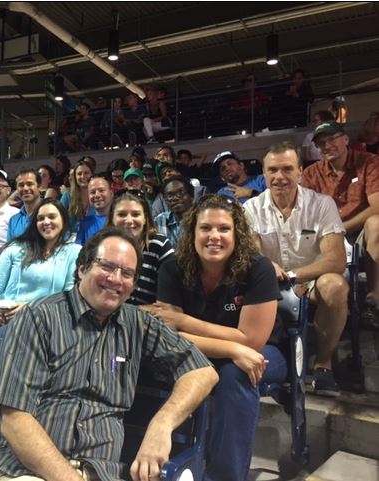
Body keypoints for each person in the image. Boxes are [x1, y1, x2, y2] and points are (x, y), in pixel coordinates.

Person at [0, 227, 217, 481]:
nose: (116, 279)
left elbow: (202, 371)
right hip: (24, 470)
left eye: (127, 273)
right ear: (82, 269)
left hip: (100, 473)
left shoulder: (137, 324)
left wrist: (161, 425)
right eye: (107, 266)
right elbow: (15, 420)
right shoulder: (37, 318)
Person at [154, 194, 285, 481]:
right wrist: (232, 347)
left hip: (265, 352)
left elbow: (252, 341)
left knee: (235, 372)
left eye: (224, 229)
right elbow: (168, 335)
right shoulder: (173, 268)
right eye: (206, 228)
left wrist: (185, 321)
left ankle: (224, 476)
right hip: (201, 353)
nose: (214, 236)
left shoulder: (258, 268)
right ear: (192, 233)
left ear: (237, 233)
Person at [244, 142, 347, 396]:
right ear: (264, 174)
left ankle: (323, 365)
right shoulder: (250, 209)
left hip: (311, 280)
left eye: (288, 169)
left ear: (300, 171)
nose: (280, 177)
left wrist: (293, 276)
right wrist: (268, 267)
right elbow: (252, 254)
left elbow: (336, 260)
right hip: (269, 283)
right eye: (273, 170)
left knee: (335, 286)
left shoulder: (322, 205)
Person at [0, 199, 81, 338]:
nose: (46, 222)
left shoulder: (74, 252)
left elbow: (68, 294)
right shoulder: (16, 248)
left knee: (3, 337)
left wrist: (30, 307)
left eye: (52, 216)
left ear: (63, 220)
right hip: (1, 311)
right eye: (40, 218)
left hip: (39, 316)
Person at [301, 121, 379, 329]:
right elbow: (306, 213)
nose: (326, 146)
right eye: (321, 143)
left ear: (345, 139)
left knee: (377, 223)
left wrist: (343, 228)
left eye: (332, 139)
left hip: (361, 229)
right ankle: (321, 301)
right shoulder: (311, 173)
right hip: (327, 234)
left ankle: (373, 299)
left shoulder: (369, 162)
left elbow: (377, 206)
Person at [107, 190, 173, 306]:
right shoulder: (103, 246)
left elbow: (167, 307)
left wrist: (127, 314)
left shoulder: (159, 245)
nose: (128, 220)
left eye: (136, 214)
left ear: (145, 218)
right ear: (112, 218)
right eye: (121, 214)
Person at [154, 175, 195, 246]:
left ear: (191, 196)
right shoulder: (160, 220)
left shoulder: (200, 219)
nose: (175, 198)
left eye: (180, 194)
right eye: (170, 196)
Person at [60, 159, 94, 237]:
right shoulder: (67, 195)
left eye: (86, 173)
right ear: (75, 177)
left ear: (92, 174)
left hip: (93, 238)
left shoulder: (97, 195)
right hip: (71, 239)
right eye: (79, 174)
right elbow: (58, 217)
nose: (83, 176)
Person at [76, 175, 113, 245]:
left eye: (101, 190)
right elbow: (78, 250)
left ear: (111, 193)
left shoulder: (120, 219)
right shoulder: (84, 223)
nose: (97, 195)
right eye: (92, 192)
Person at [6, 168, 42, 242]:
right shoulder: (14, 220)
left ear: (39, 186)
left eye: (30, 184)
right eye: (21, 185)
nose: (25, 188)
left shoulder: (52, 215)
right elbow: (10, 248)